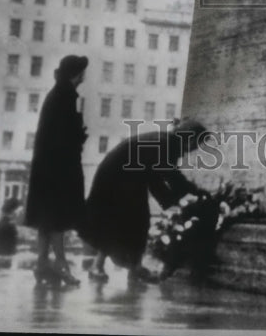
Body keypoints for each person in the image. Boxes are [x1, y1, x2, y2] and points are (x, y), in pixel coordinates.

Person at [78, 119, 209, 284]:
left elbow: (154, 177)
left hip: (121, 176)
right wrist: (192, 191)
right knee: (126, 221)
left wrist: (174, 198)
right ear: (190, 139)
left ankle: (129, 267)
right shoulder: (168, 144)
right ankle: (113, 267)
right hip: (118, 179)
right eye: (197, 144)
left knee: (133, 221)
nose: (195, 149)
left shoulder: (166, 141)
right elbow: (168, 175)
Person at [24, 54, 89, 285]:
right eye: (82, 71)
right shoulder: (65, 96)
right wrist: (79, 135)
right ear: (76, 74)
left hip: (46, 168)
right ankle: (61, 265)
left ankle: (42, 264)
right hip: (59, 170)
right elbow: (65, 136)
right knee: (58, 219)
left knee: (46, 220)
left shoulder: (56, 93)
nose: (84, 76)